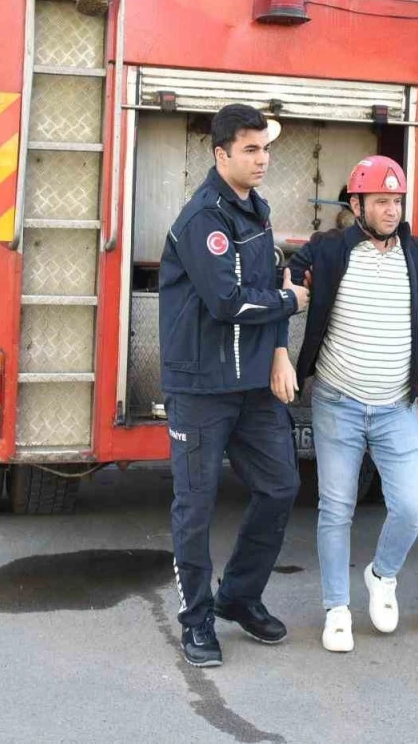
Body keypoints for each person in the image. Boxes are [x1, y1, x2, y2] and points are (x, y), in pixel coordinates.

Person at [281, 156, 418, 652]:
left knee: (412, 505)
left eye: (397, 201)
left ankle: (382, 576)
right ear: (357, 204)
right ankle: (336, 609)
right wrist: (295, 283)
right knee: (336, 508)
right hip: (337, 402)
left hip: (396, 407)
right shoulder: (330, 248)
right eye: (381, 201)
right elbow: (292, 274)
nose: (392, 210)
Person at [158, 103, 309, 668]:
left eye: (264, 148)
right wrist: (290, 302)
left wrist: (279, 351)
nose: (262, 159)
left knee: (280, 486)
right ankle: (197, 620)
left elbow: (271, 281)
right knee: (195, 505)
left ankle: (239, 597)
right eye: (250, 149)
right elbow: (228, 302)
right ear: (221, 155)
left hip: (252, 387)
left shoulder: (256, 209)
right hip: (201, 388)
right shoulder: (204, 219)